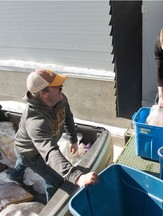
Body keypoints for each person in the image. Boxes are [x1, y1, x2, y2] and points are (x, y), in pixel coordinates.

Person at [9, 69, 99, 202]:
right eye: (59, 87)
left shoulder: (60, 99)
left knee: (21, 164)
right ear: (43, 93)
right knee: (55, 180)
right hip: (30, 153)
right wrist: (77, 177)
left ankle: (15, 176)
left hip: (36, 148)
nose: (62, 90)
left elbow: (67, 117)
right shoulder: (35, 121)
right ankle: (52, 206)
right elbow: (50, 152)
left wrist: (73, 140)